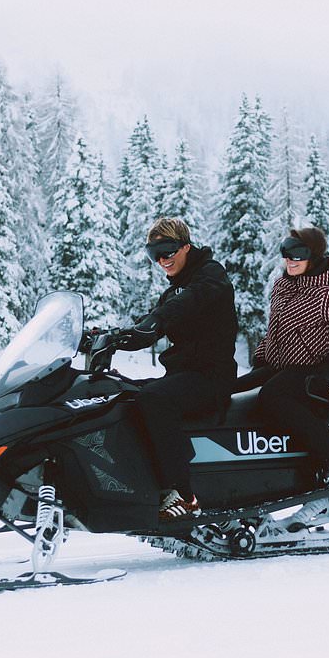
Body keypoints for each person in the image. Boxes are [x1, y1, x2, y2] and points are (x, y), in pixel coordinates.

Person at [114, 217, 238, 521]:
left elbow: (184, 306)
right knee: (122, 391)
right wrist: (113, 338)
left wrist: (156, 321)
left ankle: (184, 494)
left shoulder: (211, 275)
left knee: (154, 399)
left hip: (212, 377)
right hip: (185, 376)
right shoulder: (174, 291)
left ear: (186, 247)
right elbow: (154, 324)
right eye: (153, 254)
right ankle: (142, 485)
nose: (161, 260)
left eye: (167, 251)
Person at [239, 226, 329, 492]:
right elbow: (275, 330)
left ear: (313, 257)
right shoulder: (283, 288)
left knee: (272, 396)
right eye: (286, 251)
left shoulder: (327, 296)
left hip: (312, 373)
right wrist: (262, 357)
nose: (290, 259)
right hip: (279, 368)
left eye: (298, 253)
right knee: (236, 390)